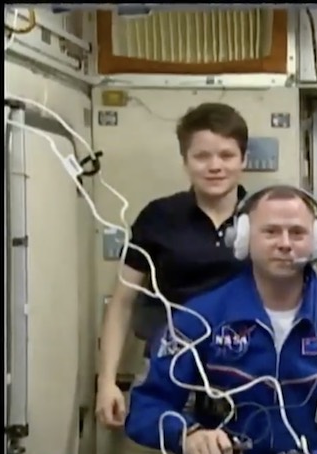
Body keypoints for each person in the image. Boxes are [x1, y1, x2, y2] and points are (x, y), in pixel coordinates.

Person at [125, 185, 317, 454]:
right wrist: (188, 435)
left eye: (297, 233)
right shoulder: (199, 318)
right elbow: (146, 407)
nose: (285, 243)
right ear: (243, 238)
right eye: (271, 232)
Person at [96, 103, 250, 428]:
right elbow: (122, 303)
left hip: (248, 377)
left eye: (226, 155)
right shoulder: (158, 217)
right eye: (202, 156)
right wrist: (106, 381)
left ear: (244, 159)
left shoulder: (266, 218)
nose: (215, 166)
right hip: (170, 374)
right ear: (185, 160)